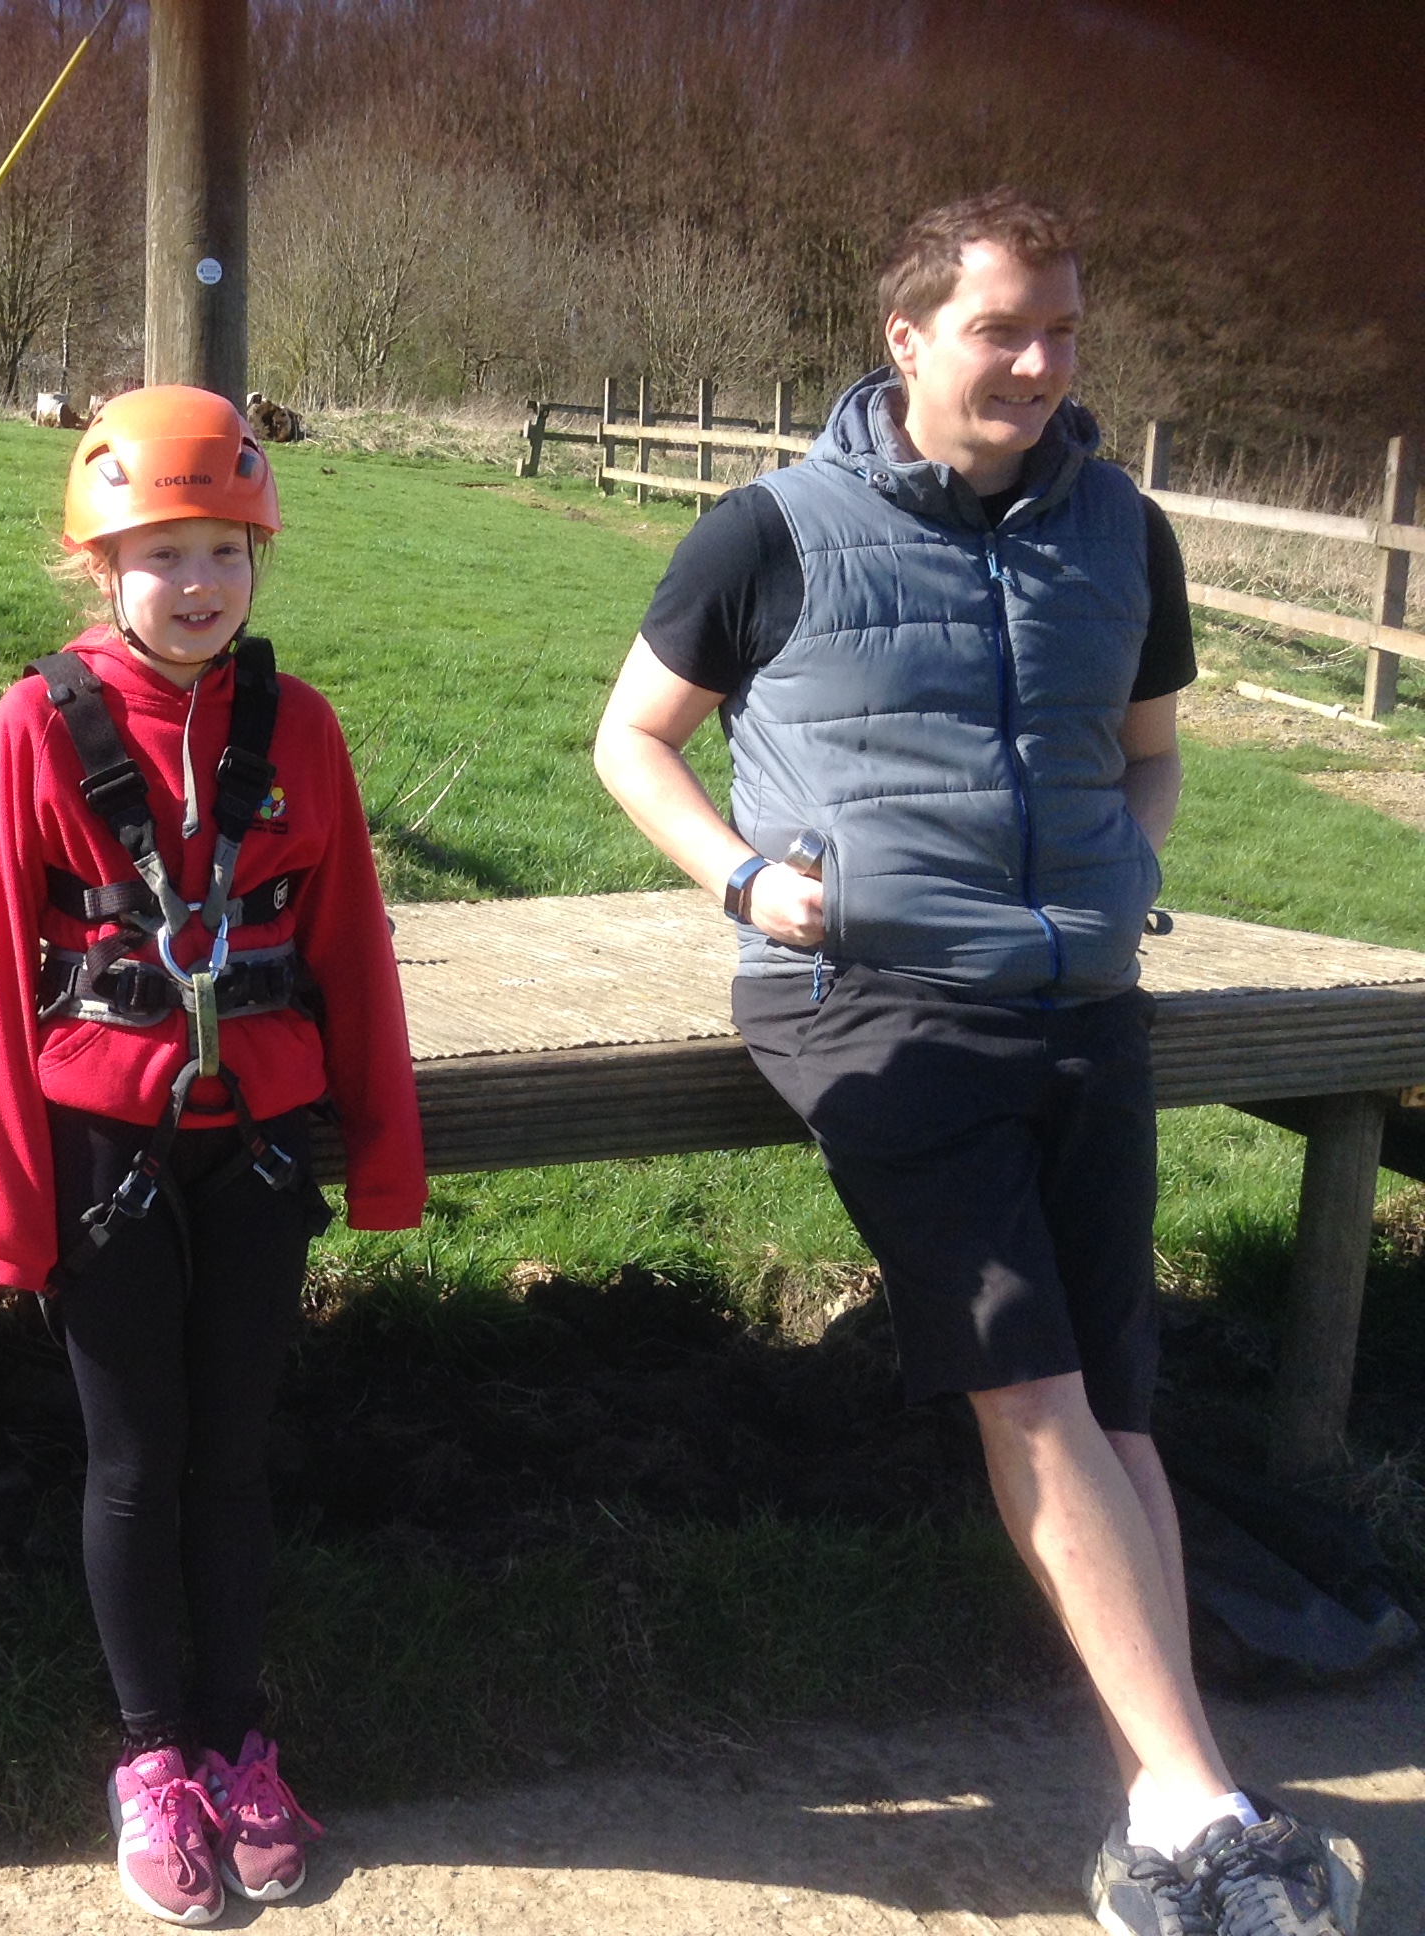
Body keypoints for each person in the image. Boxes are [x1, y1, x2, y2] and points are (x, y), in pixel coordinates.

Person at [592, 191, 1365, 1936]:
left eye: (1063, 330)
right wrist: (743, 879)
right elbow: (631, 736)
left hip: (1082, 999)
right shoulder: (769, 529)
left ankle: (1171, 1799)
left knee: (1116, 1398)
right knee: (1028, 1380)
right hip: (870, 998)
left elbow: (1149, 752)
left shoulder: (1125, 532)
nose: (1039, 363)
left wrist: (1125, 869)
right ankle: (1200, 1805)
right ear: (909, 338)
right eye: (1004, 327)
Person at [0, 384, 426, 1925]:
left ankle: (237, 1740)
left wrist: (385, 1158)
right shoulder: (38, 726)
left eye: (228, 549)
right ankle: (151, 1756)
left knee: (233, 1456)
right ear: (100, 564)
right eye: (164, 552)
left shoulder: (302, 731)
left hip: (263, 1147)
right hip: (106, 1146)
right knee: (135, 1462)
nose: (202, 582)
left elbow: (351, 946)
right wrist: (11, 1216)